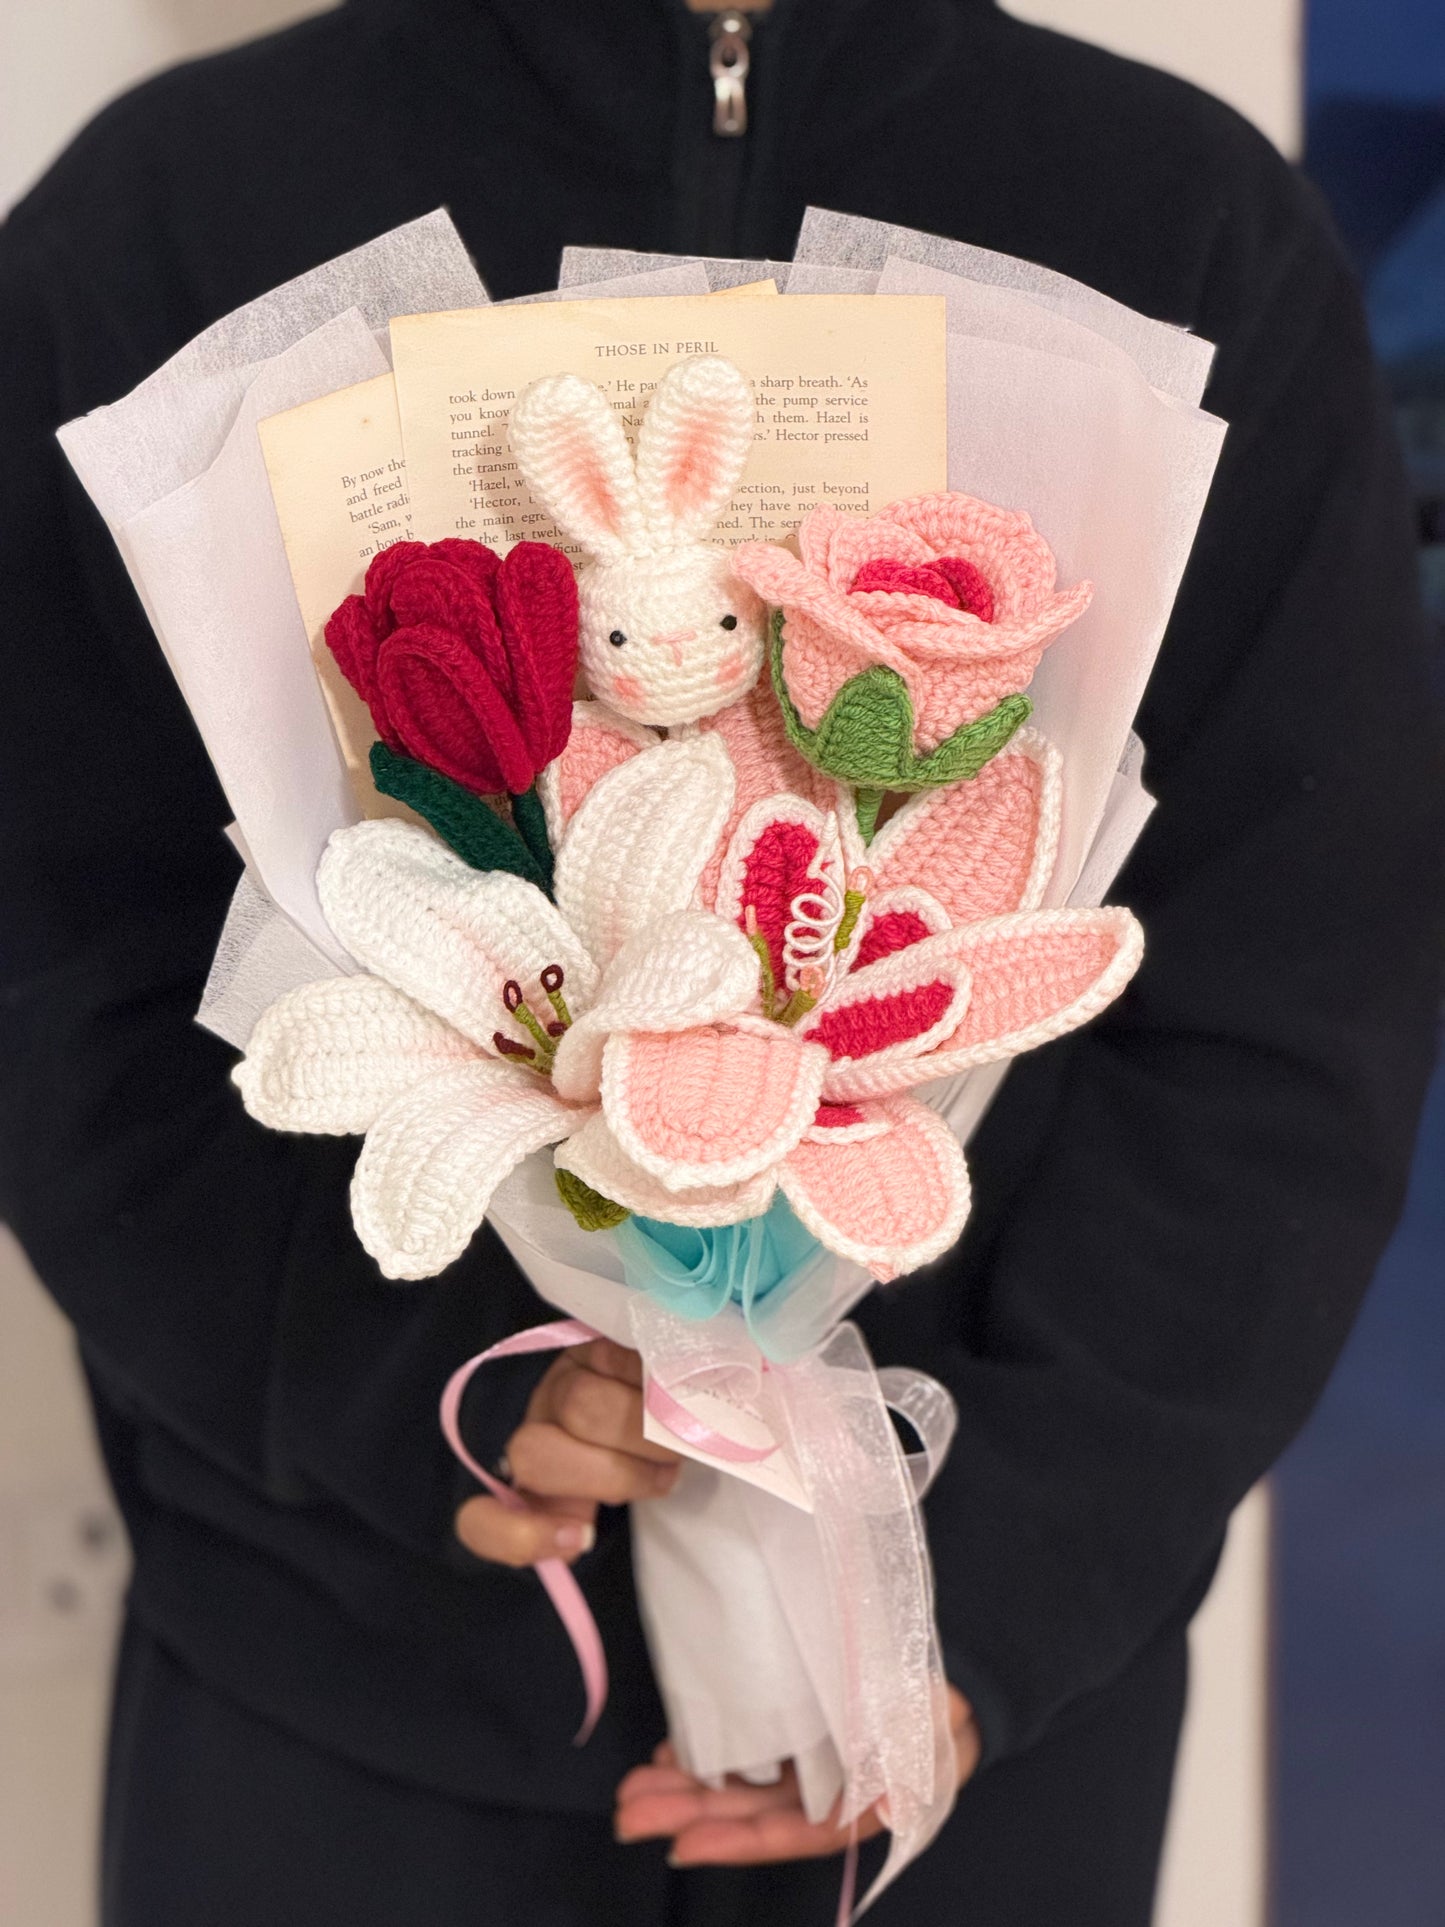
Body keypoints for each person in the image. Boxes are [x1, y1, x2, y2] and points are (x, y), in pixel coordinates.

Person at [2, 2, 1441, 1923]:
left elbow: (1287, 1001)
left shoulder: (1180, 228)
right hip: (341, 1679)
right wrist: (403, 1388)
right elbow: (58, 959)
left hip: (955, 1740)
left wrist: (989, 1600)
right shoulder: (167, 222)